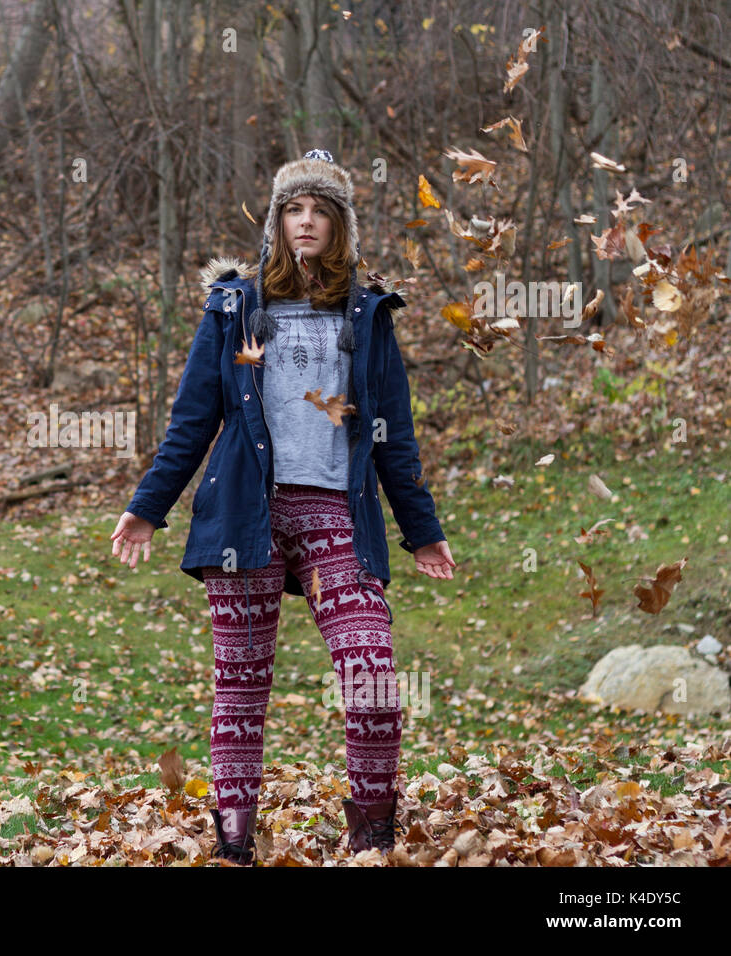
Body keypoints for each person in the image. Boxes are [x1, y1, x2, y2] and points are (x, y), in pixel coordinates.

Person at [110, 149, 456, 865]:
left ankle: (371, 842)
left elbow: (393, 434)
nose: (306, 223)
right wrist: (150, 505)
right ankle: (234, 847)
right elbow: (192, 419)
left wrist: (422, 529)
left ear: (340, 227)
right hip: (245, 516)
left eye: (320, 212)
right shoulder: (236, 307)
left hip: (335, 515)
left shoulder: (367, 312)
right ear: (276, 220)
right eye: (295, 210)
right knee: (240, 688)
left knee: (373, 677)